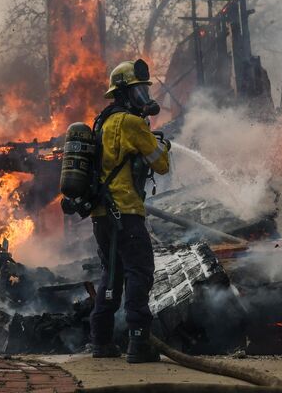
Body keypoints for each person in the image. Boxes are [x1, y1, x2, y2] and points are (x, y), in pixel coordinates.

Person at [89, 59, 170, 363]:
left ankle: (101, 340)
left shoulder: (103, 122)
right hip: (126, 211)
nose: (143, 97)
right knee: (140, 271)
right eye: (138, 92)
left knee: (111, 274)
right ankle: (139, 342)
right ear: (124, 94)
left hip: (101, 215)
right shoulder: (132, 124)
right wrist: (163, 146)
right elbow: (161, 164)